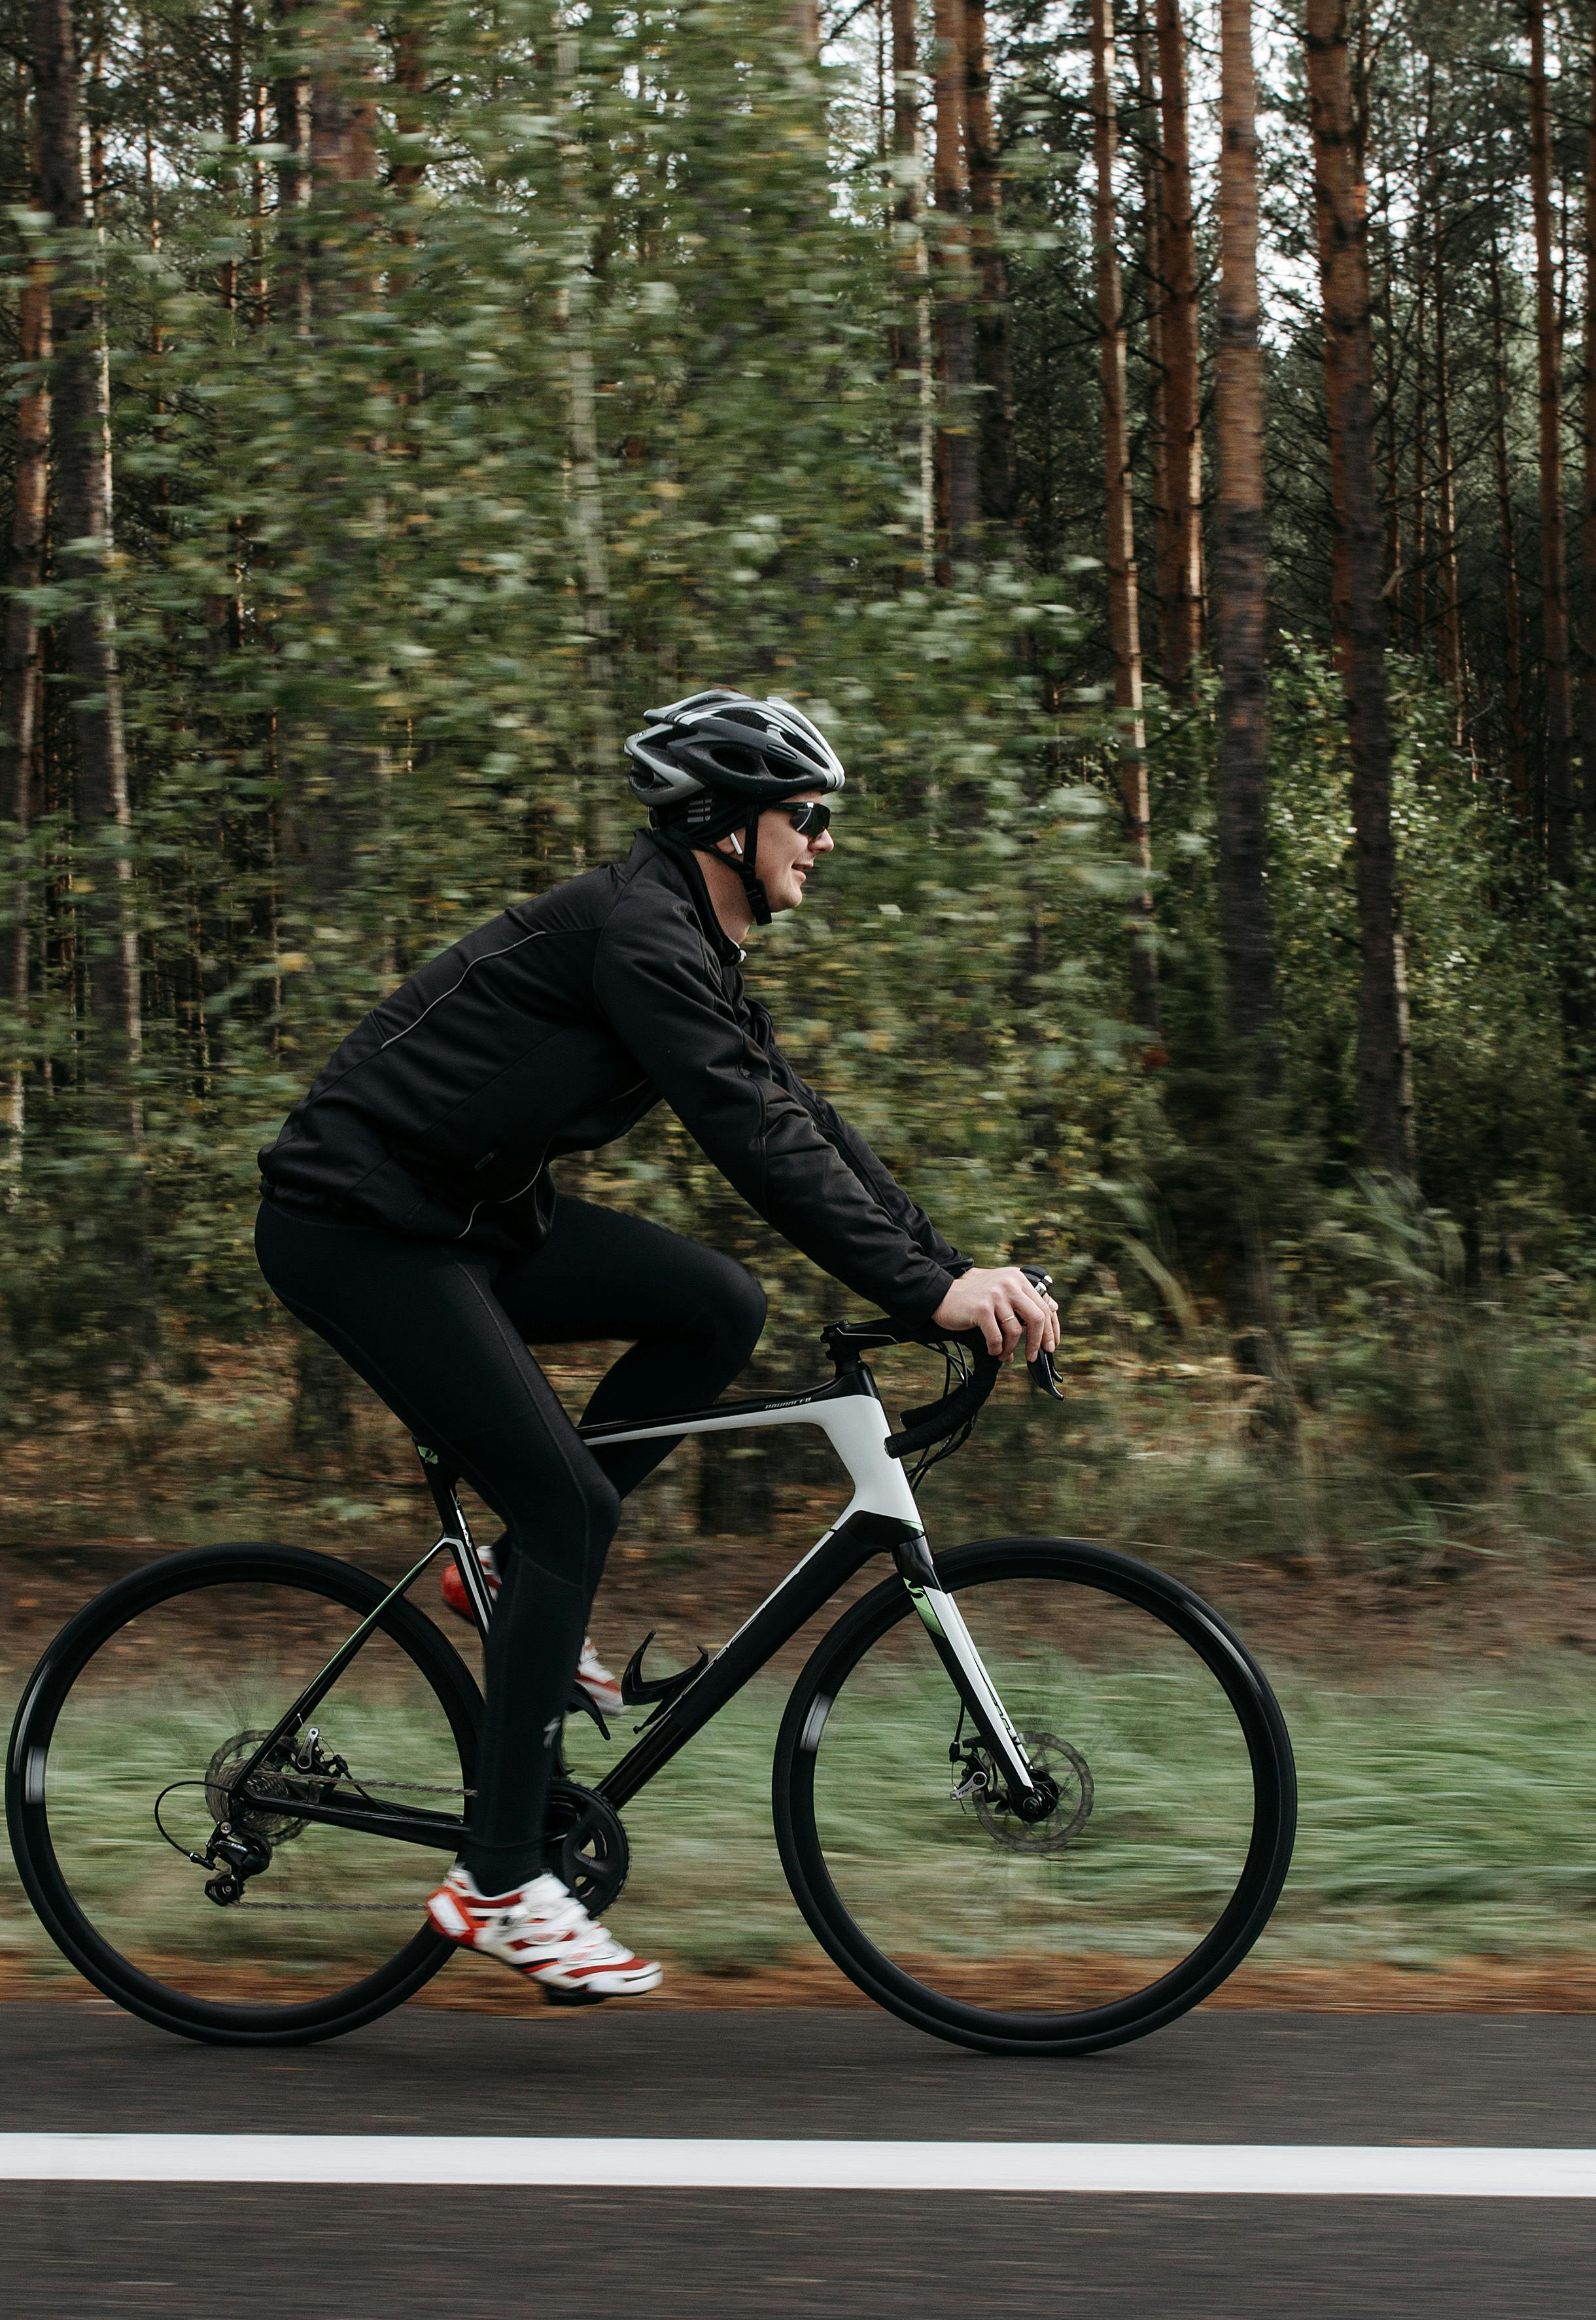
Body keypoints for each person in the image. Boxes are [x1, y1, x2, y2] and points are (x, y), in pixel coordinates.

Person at [256, 689, 1060, 2000]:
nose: (823, 840)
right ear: (724, 826)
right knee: (571, 1505)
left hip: (466, 1218)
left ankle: (510, 1583)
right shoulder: (640, 938)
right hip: (359, 1229)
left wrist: (942, 1269)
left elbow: (793, 1115)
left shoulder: (684, 942)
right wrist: (928, 1293)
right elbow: (753, 1148)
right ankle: (502, 1882)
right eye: (805, 817)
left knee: (715, 1305)